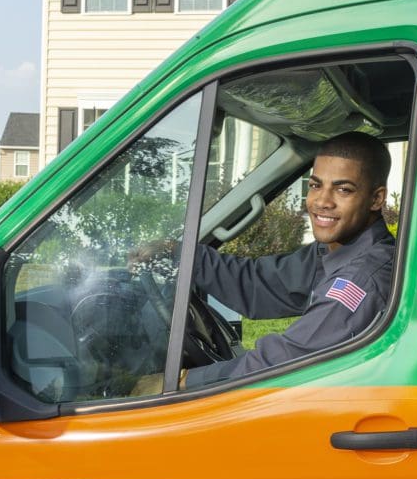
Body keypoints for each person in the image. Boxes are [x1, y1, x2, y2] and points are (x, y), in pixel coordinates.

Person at [132, 131, 394, 395]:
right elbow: (257, 284)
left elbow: (286, 360)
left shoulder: (360, 279)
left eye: (343, 189)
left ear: (376, 199)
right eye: (315, 185)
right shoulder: (335, 252)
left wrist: (182, 381)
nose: (322, 201)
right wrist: (178, 251)